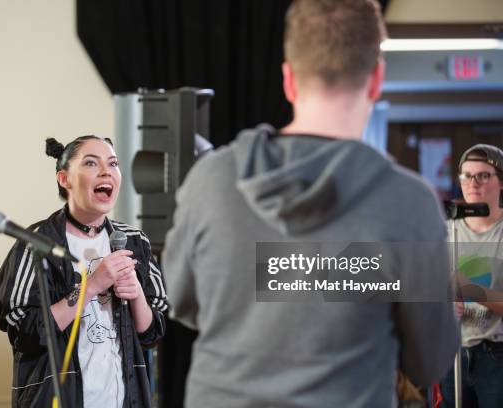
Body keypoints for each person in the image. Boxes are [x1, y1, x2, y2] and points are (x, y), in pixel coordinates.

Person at [162, 0, 459, 407]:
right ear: (376, 80)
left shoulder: (210, 179)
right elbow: (430, 360)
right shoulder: (409, 204)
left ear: (288, 80)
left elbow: (180, 299)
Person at [0, 135, 168, 407]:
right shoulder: (38, 243)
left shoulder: (135, 241)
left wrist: (136, 295)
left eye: (113, 163)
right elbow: (24, 333)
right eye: (91, 163)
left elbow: (152, 334)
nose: (106, 171)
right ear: (65, 179)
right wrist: (91, 286)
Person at [437, 144, 503, 408]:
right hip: (451, 353)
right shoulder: (444, 231)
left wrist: (473, 291)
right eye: (466, 175)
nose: (472, 183)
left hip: (498, 357)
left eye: (483, 175)